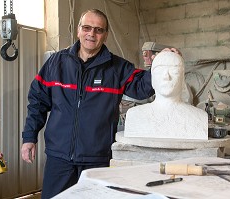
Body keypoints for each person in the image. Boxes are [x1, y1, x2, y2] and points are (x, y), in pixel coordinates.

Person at [21, 8, 179, 198]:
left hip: (97, 159)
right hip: (59, 157)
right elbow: (38, 101)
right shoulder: (57, 63)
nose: (91, 34)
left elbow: (142, 87)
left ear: (105, 35)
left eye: (98, 30)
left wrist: (163, 64)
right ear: (78, 30)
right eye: (87, 27)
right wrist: (29, 137)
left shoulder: (117, 68)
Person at [124, 51, 208, 140]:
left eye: (174, 71)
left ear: (183, 79)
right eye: (160, 71)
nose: (166, 76)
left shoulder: (198, 117)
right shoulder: (136, 116)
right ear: (152, 79)